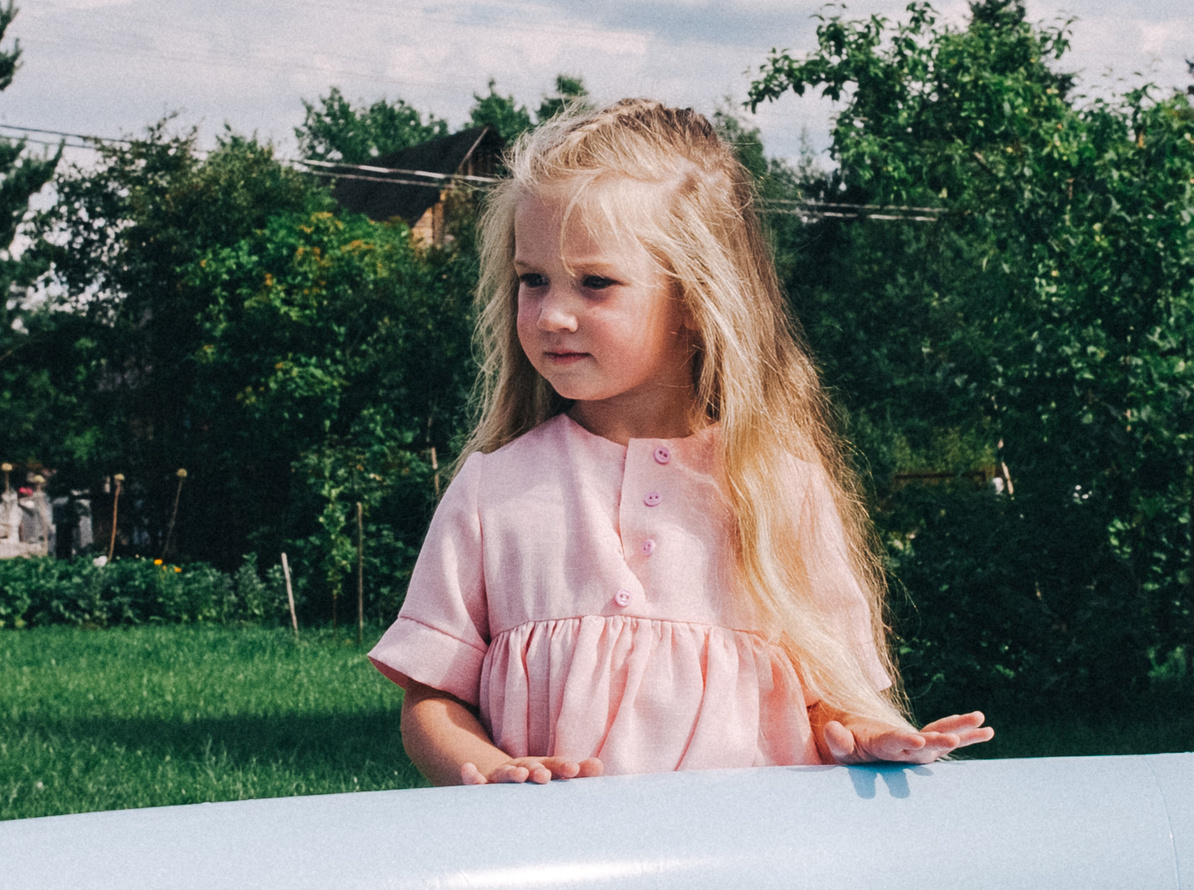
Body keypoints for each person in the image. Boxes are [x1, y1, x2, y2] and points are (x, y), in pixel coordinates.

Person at [369, 98, 993, 785]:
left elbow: (832, 699)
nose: (551, 313)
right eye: (532, 279)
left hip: (746, 874)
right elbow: (430, 698)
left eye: (595, 282)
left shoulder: (777, 488)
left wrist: (866, 730)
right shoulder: (493, 490)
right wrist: (488, 769)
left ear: (696, 301)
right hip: (559, 872)